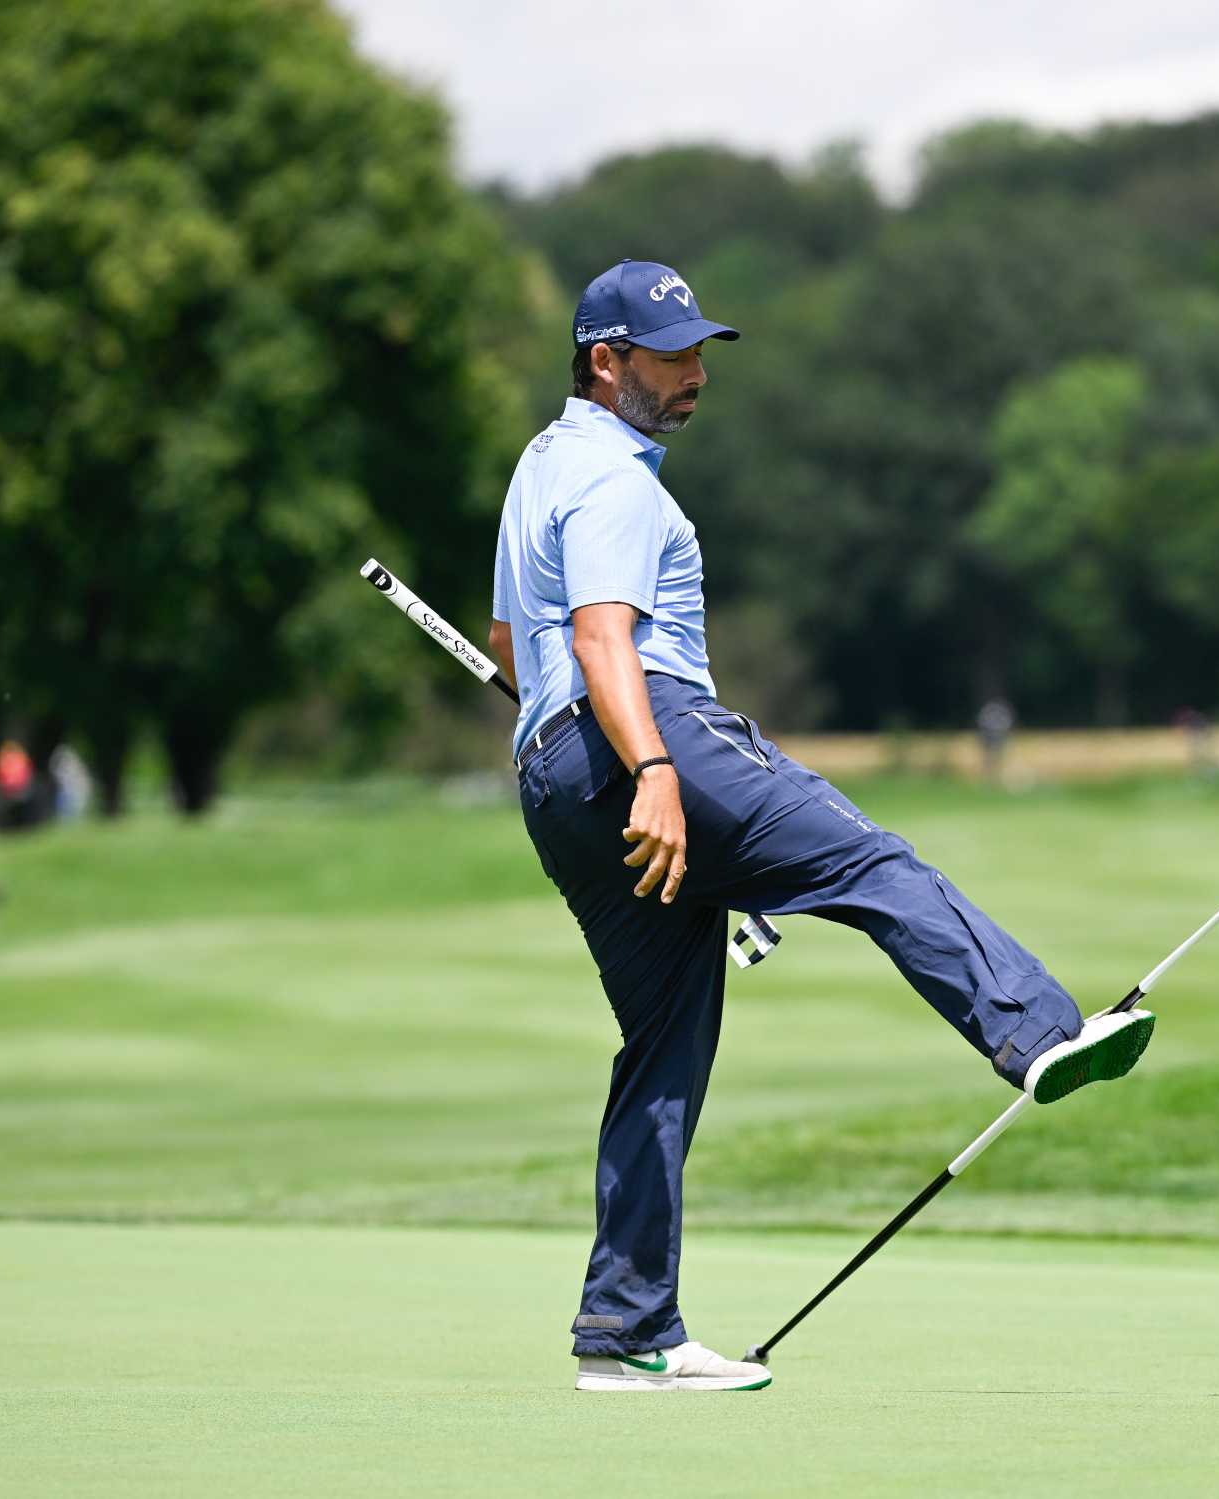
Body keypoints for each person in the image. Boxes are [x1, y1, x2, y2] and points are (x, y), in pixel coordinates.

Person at [488, 260, 1154, 1394]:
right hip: (650, 735)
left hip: (557, 777)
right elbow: (605, 637)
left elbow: (514, 648)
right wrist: (655, 769)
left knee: (663, 1048)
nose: (696, 372)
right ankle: (1036, 1027)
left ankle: (626, 1326)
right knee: (867, 860)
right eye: (671, 354)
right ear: (606, 361)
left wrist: (627, 779)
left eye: (701, 350)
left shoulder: (539, 466)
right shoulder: (615, 482)